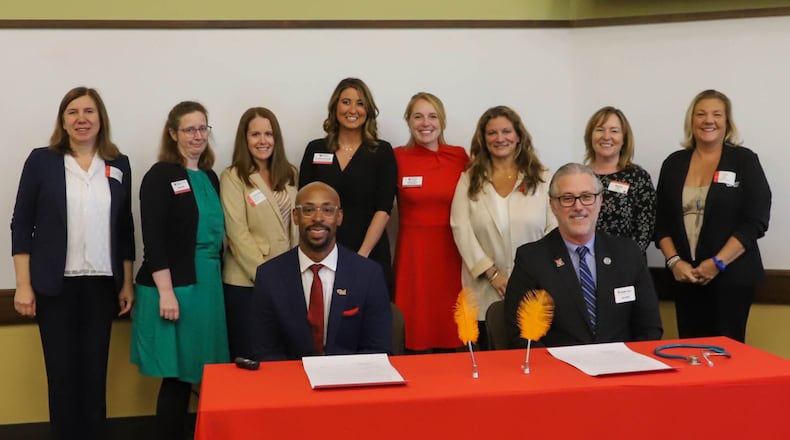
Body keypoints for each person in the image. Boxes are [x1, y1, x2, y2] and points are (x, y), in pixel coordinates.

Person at [11, 86, 134, 440]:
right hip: (55, 286)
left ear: (100, 119)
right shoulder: (42, 160)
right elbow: (22, 223)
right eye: (73, 112)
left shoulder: (117, 163)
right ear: (63, 121)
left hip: (100, 285)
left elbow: (124, 227)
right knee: (62, 377)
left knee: (95, 376)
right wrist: (23, 284)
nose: (82, 119)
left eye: (89, 112)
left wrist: (126, 282)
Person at [130, 101, 229, 440]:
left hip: (208, 285)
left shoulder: (211, 177)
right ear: (173, 134)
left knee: (204, 372)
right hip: (175, 286)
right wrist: (166, 292)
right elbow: (153, 240)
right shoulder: (160, 176)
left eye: (203, 128)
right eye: (189, 129)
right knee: (177, 375)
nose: (197, 135)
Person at [655, 89, 771, 343]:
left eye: (717, 114)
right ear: (691, 120)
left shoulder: (744, 161)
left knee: (726, 355)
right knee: (691, 353)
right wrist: (674, 262)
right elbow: (660, 222)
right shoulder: (673, 163)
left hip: (732, 277)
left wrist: (717, 263)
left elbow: (756, 221)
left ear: (727, 122)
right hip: (685, 276)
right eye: (701, 114)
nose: (709, 120)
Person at [505, 163, 663, 348]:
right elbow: (520, 334)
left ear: (600, 201)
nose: (578, 206)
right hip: (558, 371)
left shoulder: (628, 254)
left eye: (587, 197)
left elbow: (650, 328)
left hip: (620, 369)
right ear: (553, 205)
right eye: (567, 198)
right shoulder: (531, 259)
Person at [451, 106, 556, 348]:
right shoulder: (469, 179)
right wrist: (493, 274)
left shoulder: (543, 179)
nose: (500, 138)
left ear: (519, 136)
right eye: (492, 133)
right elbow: (461, 228)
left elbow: (554, 229)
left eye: (506, 131)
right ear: (483, 139)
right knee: (491, 362)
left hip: (534, 287)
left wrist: (529, 275)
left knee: (535, 361)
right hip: (485, 288)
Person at [250, 182, 392, 361]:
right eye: (308, 210)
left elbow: (378, 348)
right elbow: (265, 351)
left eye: (327, 210)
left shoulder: (368, 274)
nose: (318, 218)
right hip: (291, 382)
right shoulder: (269, 276)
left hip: (349, 382)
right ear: (295, 216)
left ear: (339, 217)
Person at [298, 77, 397, 297]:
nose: (353, 109)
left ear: (368, 110)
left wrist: (360, 258)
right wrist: (320, 255)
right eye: (346, 102)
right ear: (335, 106)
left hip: (368, 254)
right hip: (321, 255)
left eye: (360, 103)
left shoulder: (381, 152)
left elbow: (384, 209)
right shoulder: (315, 149)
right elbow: (304, 206)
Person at [221, 107, 299, 360]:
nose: (262, 140)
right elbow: (237, 234)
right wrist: (269, 279)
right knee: (251, 359)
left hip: (287, 280)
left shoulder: (290, 173)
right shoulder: (233, 177)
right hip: (247, 283)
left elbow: (296, 225)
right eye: (255, 134)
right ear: (245, 139)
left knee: (281, 360)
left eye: (268, 133)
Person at [393, 92, 469, 352]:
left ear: (442, 121)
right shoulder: (396, 157)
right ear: (408, 121)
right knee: (415, 324)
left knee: (451, 326)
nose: (425, 123)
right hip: (413, 255)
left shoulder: (459, 157)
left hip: (451, 252)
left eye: (432, 116)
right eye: (418, 116)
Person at [583, 106, 656, 253]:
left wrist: (624, 262)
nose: (606, 136)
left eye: (614, 131)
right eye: (600, 129)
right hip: (583, 264)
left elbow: (645, 229)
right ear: (590, 136)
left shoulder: (638, 177)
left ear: (624, 139)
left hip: (626, 266)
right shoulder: (579, 176)